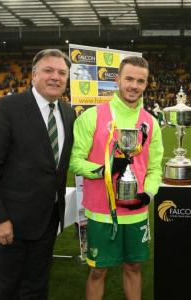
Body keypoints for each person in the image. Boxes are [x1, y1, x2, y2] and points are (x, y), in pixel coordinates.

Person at [0, 49, 76, 299]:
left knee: (36, 287)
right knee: (4, 289)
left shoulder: (67, 112)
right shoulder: (6, 108)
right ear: (33, 75)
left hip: (48, 220)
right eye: (48, 70)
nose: (56, 77)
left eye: (62, 72)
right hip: (11, 223)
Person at [70, 56, 163, 300]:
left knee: (134, 267)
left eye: (140, 81)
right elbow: (75, 161)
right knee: (98, 270)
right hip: (101, 211)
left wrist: (149, 194)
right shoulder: (92, 117)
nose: (134, 86)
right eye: (129, 78)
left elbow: (154, 168)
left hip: (136, 211)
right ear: (117, 79)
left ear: (146, 84)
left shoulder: (151, 123)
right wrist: (105, 170)